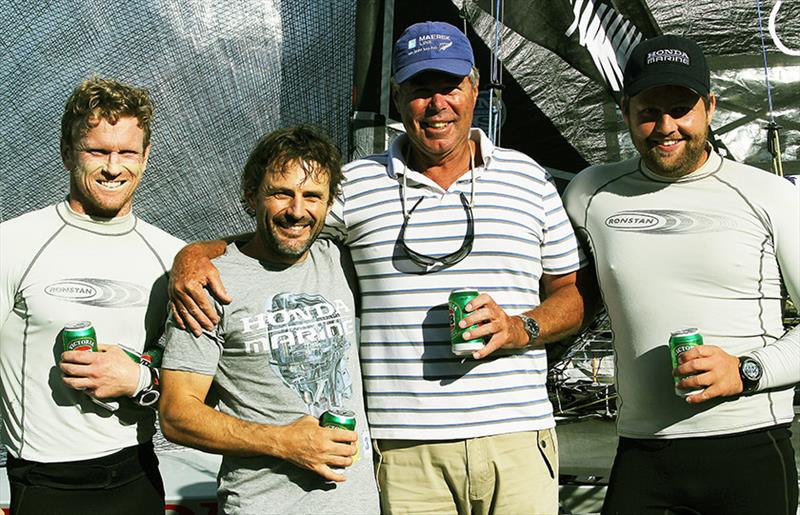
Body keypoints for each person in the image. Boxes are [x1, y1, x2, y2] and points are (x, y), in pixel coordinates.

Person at [169, 21, 586, 514]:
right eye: (419, 89)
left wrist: (520, 328)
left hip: (514, 438)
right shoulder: (358, 184)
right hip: (405, 452)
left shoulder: (528, 178)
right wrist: (193, 254)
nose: (437, 104)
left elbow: (571, 295)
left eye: (450, 86)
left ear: (474, 88)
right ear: (396, 95)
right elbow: (285, 228)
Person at [563, 35, 799, 514]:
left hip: (750, 448)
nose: (665, 127)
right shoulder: (589, 194)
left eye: (681, 108)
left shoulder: (770, 195)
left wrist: (746, 371)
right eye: (649, 110)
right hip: (642, 454)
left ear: (709, 107)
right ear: (626, 111)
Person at [158, 125, 380, 515]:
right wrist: (282, 442)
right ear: (250, 196)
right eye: (281, 193)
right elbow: (176, 414)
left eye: (312, 196)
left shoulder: (342, 259)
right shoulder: (208, 283)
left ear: (329, 206)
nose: (297, 210)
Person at [0, 77, 183, 514]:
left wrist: (138, 378)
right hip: (45, 483)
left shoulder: (171, 256)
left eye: (127, 153)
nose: (113, 167)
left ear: (146, 156)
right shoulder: (13, 244)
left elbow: (192, 384)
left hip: (138, 475)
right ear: (67, 153)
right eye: (97, 151)